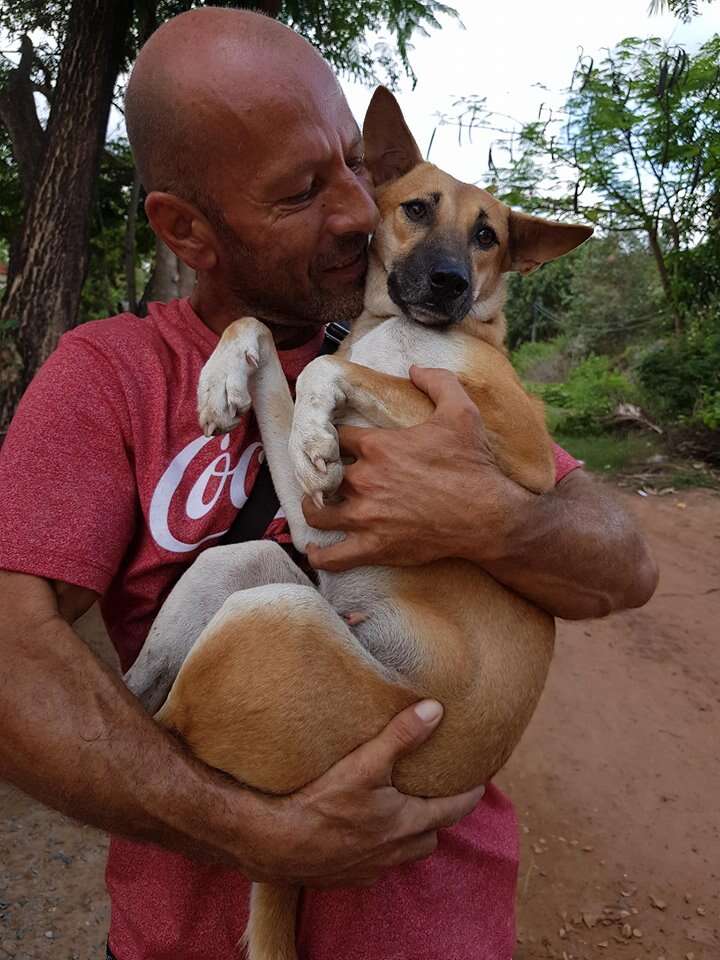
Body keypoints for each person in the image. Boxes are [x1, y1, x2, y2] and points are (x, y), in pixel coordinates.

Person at [0, 9, 658, 960]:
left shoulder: (431, 363)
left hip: (438, 925)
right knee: (234, 587)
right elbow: (12, 661)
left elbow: (624, 565)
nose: (358, 209)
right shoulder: (109, 375)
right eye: (304, 190)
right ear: (186, 228)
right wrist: (252, 830)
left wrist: (495, 522)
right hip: (191, 931)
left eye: (356, 165)